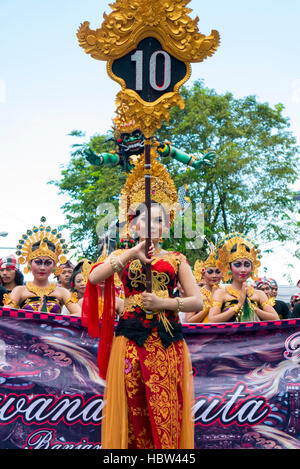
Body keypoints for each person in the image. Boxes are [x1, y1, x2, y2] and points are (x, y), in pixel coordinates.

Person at [82, 156, 201, 449]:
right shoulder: (125, 255)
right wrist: (134, 252)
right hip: (131, 340)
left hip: (166, 341)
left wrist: (164, 304)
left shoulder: (176, 259)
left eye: (159, 220)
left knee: (164, 409)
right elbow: (95, 277)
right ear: (134, 225)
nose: (152, 225)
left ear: (167, 225)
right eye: (145, 219)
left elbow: (196, 302)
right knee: (132, 409)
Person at [4, 217, 81, 316]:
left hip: (54, 331)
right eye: (38, 262)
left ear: (54, 265)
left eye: (48, 263)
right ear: (29, 264)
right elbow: (5, 315)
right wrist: (34, 316)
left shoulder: (62, 292)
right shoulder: (19, 291)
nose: (42, 268)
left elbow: (79, 314)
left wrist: (52, 319)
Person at [208, 233, 279, 323]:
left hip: (254, 337)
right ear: (229, 268)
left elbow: (275, 318)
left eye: (247, 265)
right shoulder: (221, 293)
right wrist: (239, 305)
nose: (243, 270)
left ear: (252, 268)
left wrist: (253, 308)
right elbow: (212, 320)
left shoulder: (259, 294)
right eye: (238, 265)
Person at [185, 244, 223, 323]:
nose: (214, 275)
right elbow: (189, 321)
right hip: (203, 333)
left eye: (218, 272)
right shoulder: (196, 294)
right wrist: (209, 306)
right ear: (203, 274)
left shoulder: (226, 292)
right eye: (210, 272)